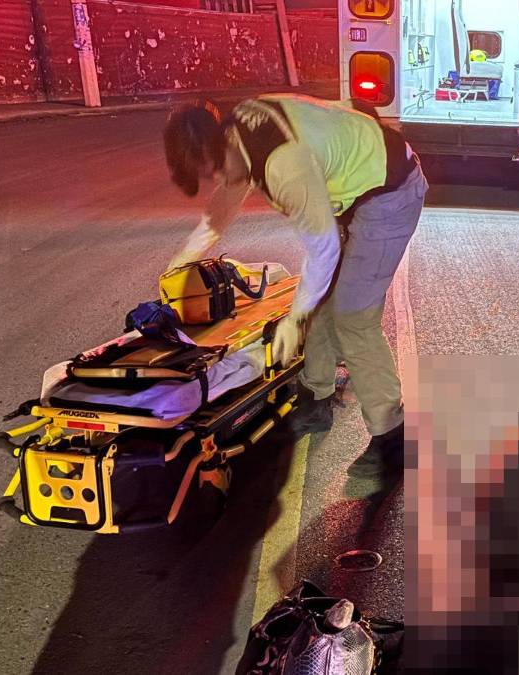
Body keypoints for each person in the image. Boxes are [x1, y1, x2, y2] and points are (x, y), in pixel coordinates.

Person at [162, 94, 427, 463]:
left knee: (353, 316)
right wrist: (181, 261)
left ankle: (393, 437)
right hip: (353, 186)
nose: (218, 179)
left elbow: (323, 249)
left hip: (390, 190)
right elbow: (224, 200)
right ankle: (316, 399)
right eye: (210, 176)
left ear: (222, 143)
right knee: (318, 299)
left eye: (216, 169)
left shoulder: (282, 164)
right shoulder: (235, 136)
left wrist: (295, 319)